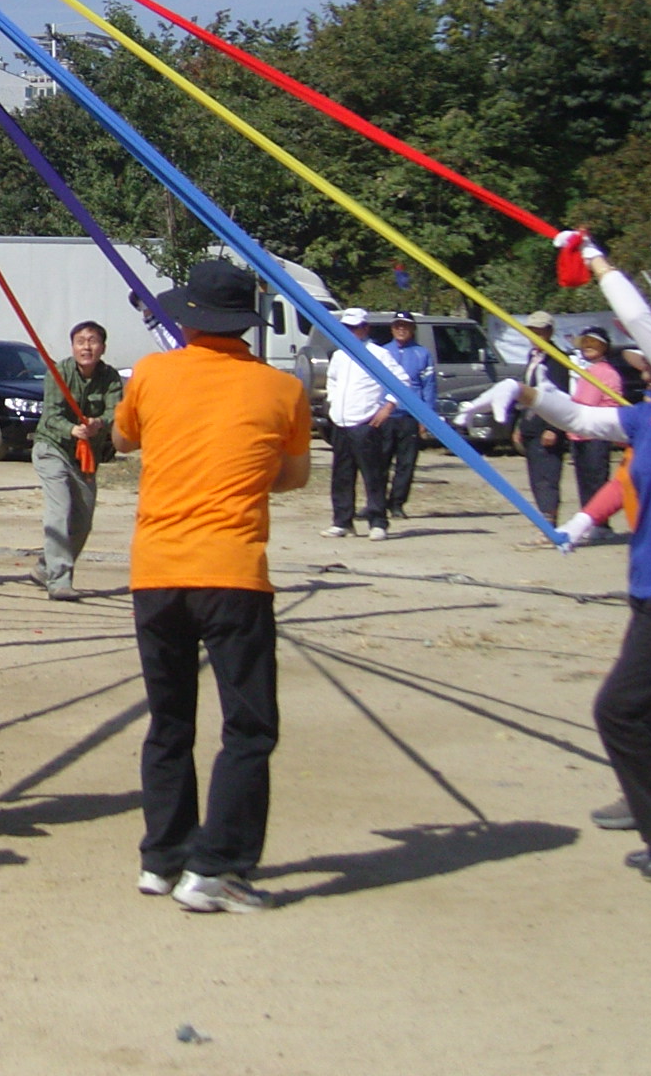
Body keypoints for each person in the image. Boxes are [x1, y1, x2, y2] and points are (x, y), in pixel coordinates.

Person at [509, 244, 651, 879]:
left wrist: (602, 265)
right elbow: (584, 416)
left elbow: (638, 323)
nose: (641, 347)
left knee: (620, 710)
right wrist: (527, 396)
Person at [111, 259, 310, 913]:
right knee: (248, 729)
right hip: (233, 573)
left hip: (157, 571)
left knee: (169, 721)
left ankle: (162, 858)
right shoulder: (281, 390)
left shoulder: (151, 372)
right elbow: (293, 476)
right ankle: (217, 866)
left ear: (189, 316)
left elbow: (123, 438)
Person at [31, 320, 122, 600]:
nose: (86, 347)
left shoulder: (110, 377)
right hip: (52, 447)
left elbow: (115, 412)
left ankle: (46, 566)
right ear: (72, 346)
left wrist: (99, 424)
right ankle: (59, 580)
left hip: (86, 456)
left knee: (82, 522)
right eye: (80, 341)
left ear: (102, 347)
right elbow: (51, 415)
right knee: (61, 510)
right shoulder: (59, 373)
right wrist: (73, 429)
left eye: (92, 341)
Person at [323, 308, 404, 540]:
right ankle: (342, 521)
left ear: (365, 328)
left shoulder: (378, 354)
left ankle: (378, 521)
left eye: (355, 327)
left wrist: (388, 406)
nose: (350, 332)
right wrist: (333, 404)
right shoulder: (339, 355)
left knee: (373, 474)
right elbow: (333, 380)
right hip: (341, 421)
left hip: (366, 421)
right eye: (346, 328)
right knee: (341, 473)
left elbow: (401, 380)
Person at [512, 310, 574, 522]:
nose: (536, 336)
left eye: (540, 332)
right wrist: (519, 425)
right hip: (530, 422)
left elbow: (562, 395)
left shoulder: (558, 359)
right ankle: (543, 519)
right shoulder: (533, 357)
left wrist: (554, 428)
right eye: (532, 332)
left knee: (548, 476)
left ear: (550, 332)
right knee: (536, 477)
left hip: (547, 425)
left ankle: (550, 520)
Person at [374, 313, 434, 526]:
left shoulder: (422, 354)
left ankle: (397, 503)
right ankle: (377, 503)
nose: (401, 330)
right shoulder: (382, 352)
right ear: (392, 329)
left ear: (412, 329)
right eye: (398, 326)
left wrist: (426, 417)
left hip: (409, 415)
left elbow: (428, 386)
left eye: (406, 326)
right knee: (380, 462)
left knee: (406, 463)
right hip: (385, 415)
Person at [568, 328, 624, 512]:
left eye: (594, 344)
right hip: (581, 433)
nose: (588, 347)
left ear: (604, 347)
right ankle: (589, 518)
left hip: (596, 433)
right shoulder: (588, 371)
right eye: (585, 344)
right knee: (584, 481)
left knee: (596, 480)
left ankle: (600, 523)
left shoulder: (606, 372)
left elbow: (588, 402)